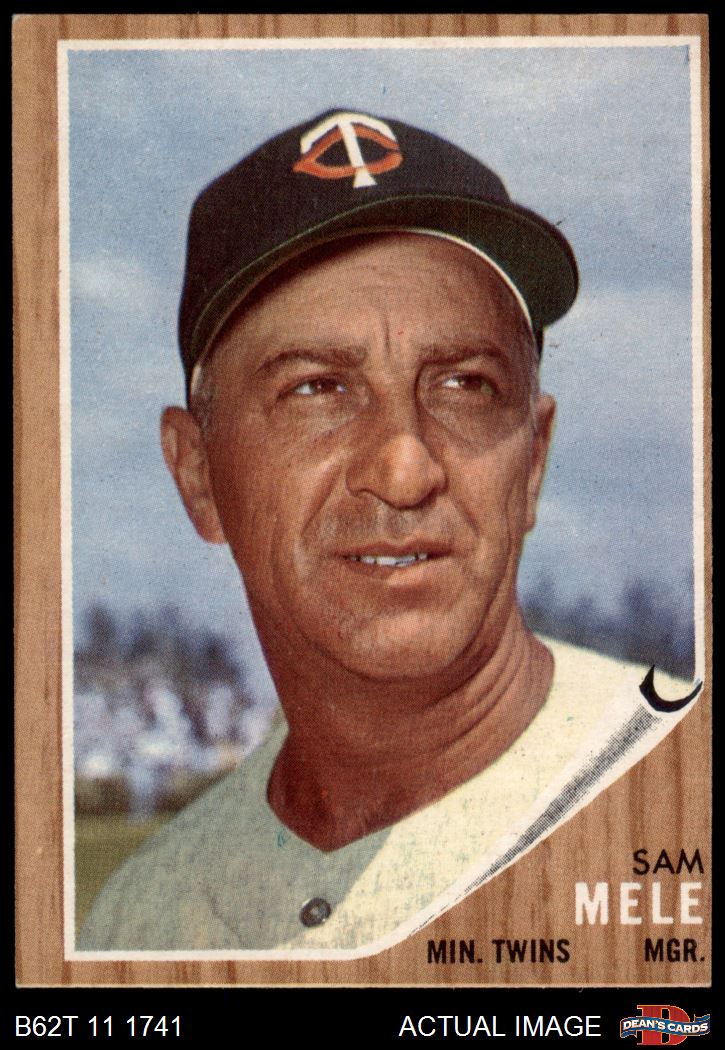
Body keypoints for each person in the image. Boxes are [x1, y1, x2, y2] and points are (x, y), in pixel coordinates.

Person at [80, 110, 691, 952]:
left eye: (464, 385)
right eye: (316, 389)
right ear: (198, 476)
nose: (405, 468)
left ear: (533, 460)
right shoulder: (137, 924)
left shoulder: (680, 789)